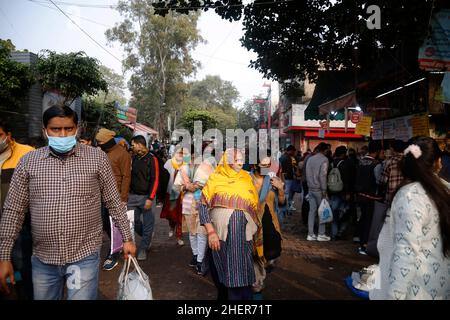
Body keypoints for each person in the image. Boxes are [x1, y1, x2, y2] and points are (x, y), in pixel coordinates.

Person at [0, 105, 136, 299]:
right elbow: (14, 210)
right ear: (45, 131)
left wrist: (127, 238)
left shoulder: (97, 158)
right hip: (44, 258)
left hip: (84, 256)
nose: (62, 134)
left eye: (68, 129)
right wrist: (4, 256)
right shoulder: (28, 162)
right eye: (56, 129)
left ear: (77, 129)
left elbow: (113, 201)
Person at [374, 136, 450, 300]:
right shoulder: (445, 190)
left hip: (417, 288)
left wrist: (394, 295)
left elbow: (406, 252)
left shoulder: (410, 196)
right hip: (441, 284)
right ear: (437, 163)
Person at [199, 149, 260, 300]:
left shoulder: (246, 177)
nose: (240, 162)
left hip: (243, 235)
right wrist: (211, 232)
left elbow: (254, 203)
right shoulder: (215, 178)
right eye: (236, 159)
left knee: (241, 274)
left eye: (241, 159)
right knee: (223, 275)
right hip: (221, 236)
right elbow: (202, 205)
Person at [0, 120, 34, 300]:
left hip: (20, 223)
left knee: (22, 264)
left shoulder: (27, 154)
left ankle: (24, 292)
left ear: (8, 135)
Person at [95, 128, 132, 271]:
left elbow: (126, 177)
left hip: (115, 197)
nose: (98, 144)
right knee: (105, 225)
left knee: (114, 226)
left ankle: (114, 253)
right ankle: (117, 245)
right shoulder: (100, 153)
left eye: (100, 142)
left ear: (108, 141)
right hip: (100, 196)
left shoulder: (123, 154)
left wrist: (123, 199)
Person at [251, 153, 285, 297]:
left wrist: (281, 188)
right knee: (255, 256)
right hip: (253, 224)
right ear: (255, 165)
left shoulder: (272, 181)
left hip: (270, 223)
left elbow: (282, 203)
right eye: (262, 165)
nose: (265, 168)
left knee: (272, 253)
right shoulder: (247, 179)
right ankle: (257, 284)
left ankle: (260, 274)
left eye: (267, 165)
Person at [182, 144, 217, 275]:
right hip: (188, 202)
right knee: (192, 232)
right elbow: (178, 186)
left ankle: (201, 261)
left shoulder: (208, 167)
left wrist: (198, 185)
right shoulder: (183, 169)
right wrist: (186, 187)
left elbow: (213, 184)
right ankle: (196, 256)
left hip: (203, 202)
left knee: (202, 232)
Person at [128, 135, 160, 261]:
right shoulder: (134, 157)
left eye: (133, 144)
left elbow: (155, 179)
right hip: (133, 196)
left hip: (147, 197)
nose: (132, 147)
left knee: (148, 224)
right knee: (133, 222)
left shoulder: (152, 159)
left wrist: (150, 198)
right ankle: (147, 236)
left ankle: (143, 248)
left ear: (139, 144)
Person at [354, 140, 383, 255]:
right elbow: (379, 181)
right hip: (371, 197)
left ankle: (360, 240)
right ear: (377, 151)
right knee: (369, 221)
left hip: (360, 195)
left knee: (362, 219)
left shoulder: (360, 162)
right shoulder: (376, 164)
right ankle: (364, 245)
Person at [160, 146, 189, 246]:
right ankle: (172, 226)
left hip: (182, 195)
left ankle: (179, 236)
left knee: (180, 216)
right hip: (170, 193)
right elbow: (163, 178)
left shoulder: (187, 164)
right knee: (170, 215)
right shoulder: (169, 163)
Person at [305, 142, 331, 241]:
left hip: (310, 188)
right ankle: (321, 234)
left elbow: (307, 173)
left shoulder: (310, 159)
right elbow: (323, 176)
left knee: (312, 212)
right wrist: (324, 190)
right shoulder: (324, 159)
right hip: (319, 189)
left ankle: (310, 234)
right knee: (322, 211)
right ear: (325, 150)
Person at [328, 145, 352, 240]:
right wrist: (348, 193)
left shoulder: (331, 163)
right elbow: (347, 180)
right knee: (344, 212)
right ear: (343, 154)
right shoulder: (345, 164)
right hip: (342, 192)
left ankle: (334, 234)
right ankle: (340, 232)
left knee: (334, 214)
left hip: (333, 191)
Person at [279, 145, 297, 213]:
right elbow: (283, 169)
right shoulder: (286, 157)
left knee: (287, 193)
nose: (294, 153)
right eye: (293, 151)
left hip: (287, 177)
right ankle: (285, 208)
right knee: (286, 193)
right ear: (291, 150)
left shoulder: (285, 157)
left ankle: (287, 207)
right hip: (287, 178)